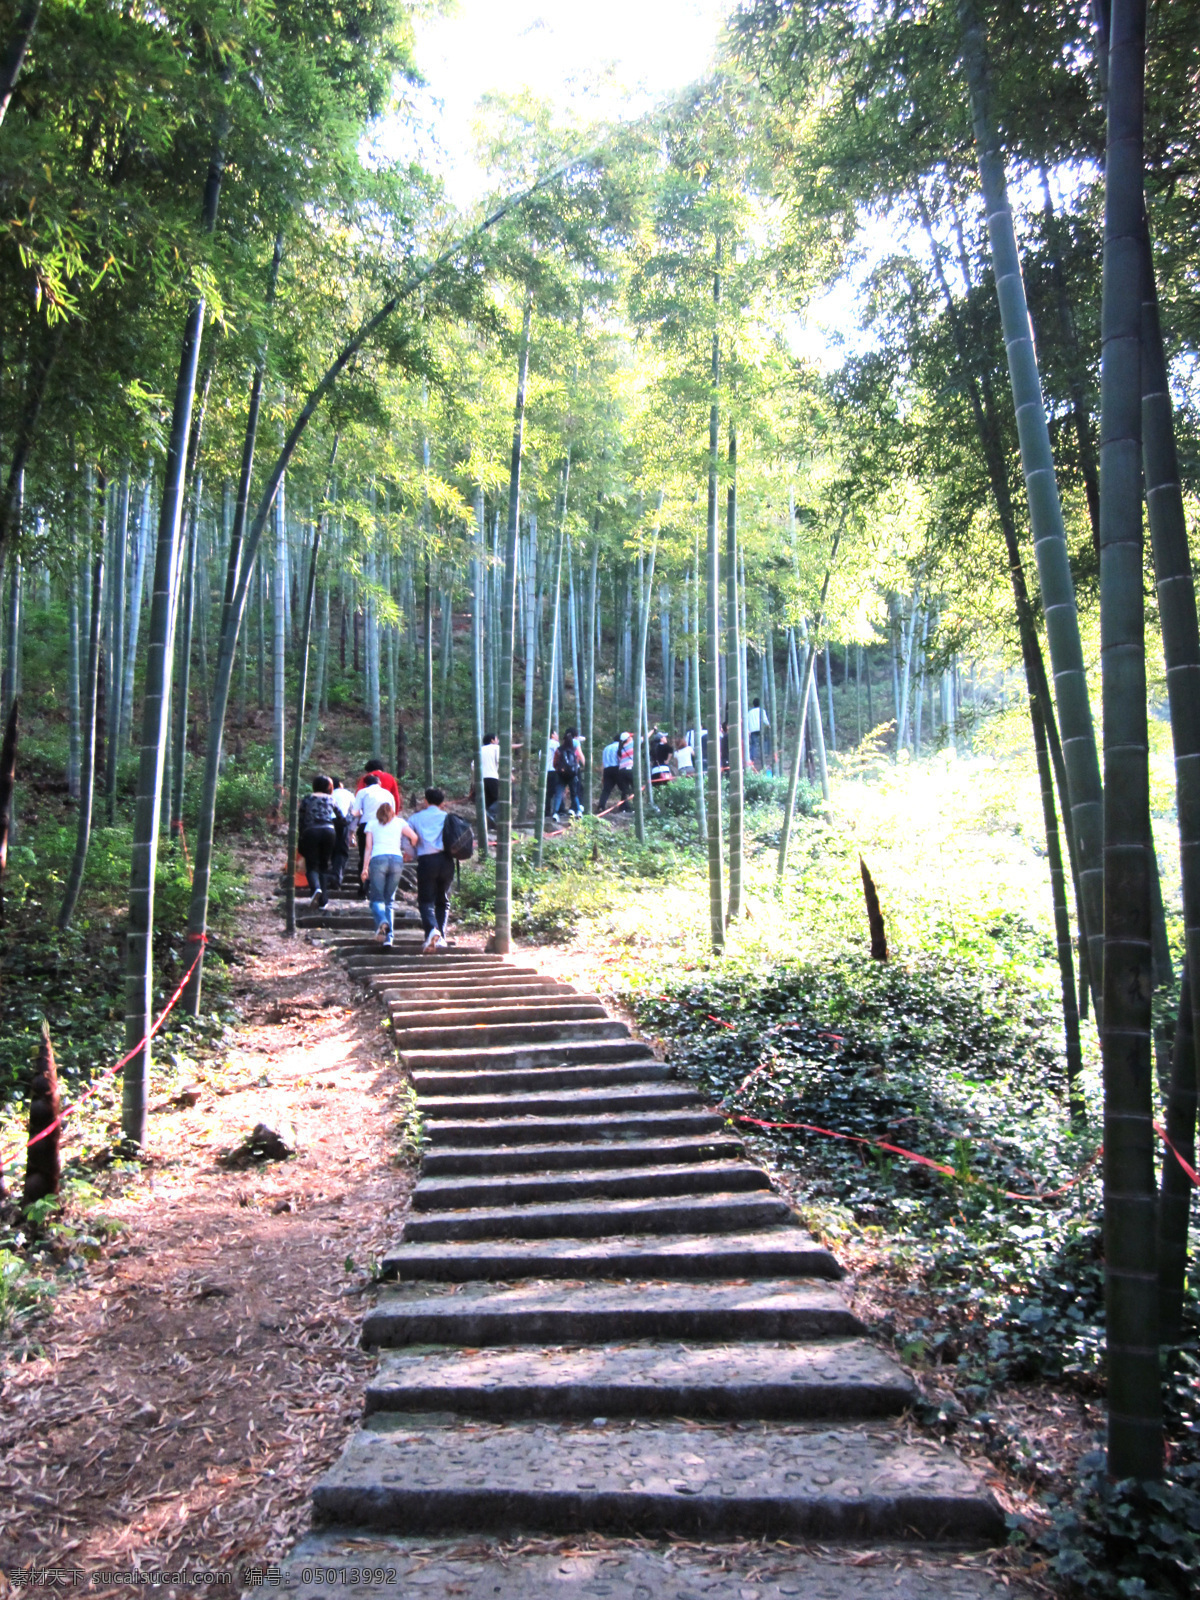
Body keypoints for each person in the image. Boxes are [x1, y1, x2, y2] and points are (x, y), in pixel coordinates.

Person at [361, 800, 417, 947]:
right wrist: (409, 853)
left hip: (378, 859)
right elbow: (414, 837)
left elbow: (368, 848)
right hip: (397, 860)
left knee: (376, 900)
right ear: (393, 812)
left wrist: (364, 868)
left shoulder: (372, 824)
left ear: (378, 813)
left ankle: (381, 921)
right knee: (389, 901)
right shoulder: (400, 822)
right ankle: (388, 938)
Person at [408, 787, 454, 953]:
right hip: (447, 860)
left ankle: (432, 931)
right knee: (442, 900)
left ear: (425, 800)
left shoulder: (415, 818)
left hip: (427, 860)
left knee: (426, 900)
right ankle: (440, 936)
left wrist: (412, 855)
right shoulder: (448, 818)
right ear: (443, 803)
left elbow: (408, 839)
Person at [298, 776, 338, 905]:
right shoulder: (331, 799)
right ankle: (323, 901)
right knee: (324, 865)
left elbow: (301, 819)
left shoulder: (307, 799)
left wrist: (301, 836)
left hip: (311, 831)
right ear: (328, 787)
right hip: (329, 831)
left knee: (311, 865)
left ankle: (316, 888)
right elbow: (340, 817)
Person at [353, 770, 392, 890]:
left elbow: (355, 812)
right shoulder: (387, 794)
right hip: (383, 825)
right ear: (379, 782)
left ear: (365, 784)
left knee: (364, 855)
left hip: (366, 825)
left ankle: (363, 886)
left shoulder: (362, 792)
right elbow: (392, 813)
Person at [329, 775, 355, 887]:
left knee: (330, 851)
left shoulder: (326, 794)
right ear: (340, 784)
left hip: (327, 823)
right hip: (341, 823)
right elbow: (355, 810)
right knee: (341, 851)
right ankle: (336, 876)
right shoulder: (347, 793)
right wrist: (352, 832)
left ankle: (325, 879)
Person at [553, 726, 585, 817]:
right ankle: (577, 810)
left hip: (561, 774)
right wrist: (585, 765)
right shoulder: (574, 746)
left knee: (559, 793)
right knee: (575, 792)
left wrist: (559, 769)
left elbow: (555, 762)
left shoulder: (559, 748)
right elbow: (579, 756)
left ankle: (555, 813)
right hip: (573, 772)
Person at [476, 733, 500, 825]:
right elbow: (500, 761)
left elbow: (473, 765)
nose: (498, 740)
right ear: (492, 740)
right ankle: (489, 813)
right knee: (501, 798)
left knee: (488, 801)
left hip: (480, 779)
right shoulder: (496, 748)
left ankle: (489, 825)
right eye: (496, 738)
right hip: (492, 777)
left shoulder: (480, 750)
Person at [598, 733, 621, 811]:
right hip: (617, 768)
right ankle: (624, 807)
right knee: (624, 789)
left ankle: (601, 806)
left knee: (606, 789)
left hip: (607, 769)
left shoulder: (606, 748)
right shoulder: (620, 747)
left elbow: (603, 762)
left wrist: (602, 774)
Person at [747, 698, 769, 769]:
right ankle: (764, 754)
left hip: (752, 730)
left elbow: (747, 722)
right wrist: (768, 725)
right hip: (760, 729)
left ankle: (753, 757)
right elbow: (765, 720)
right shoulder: (762, 711)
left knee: (754, 744)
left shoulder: (749, 712)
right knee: (764, 741)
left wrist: (748, 730)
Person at [615, 730, 635, 811]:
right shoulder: (632, 744)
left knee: (625, 790)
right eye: (630, 736)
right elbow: (644, 738)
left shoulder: (620, 748)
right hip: (629, 769)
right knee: (635, 788)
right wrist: (653, 730)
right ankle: (634, 807)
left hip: (621, 771)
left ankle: (623, 808)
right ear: (628, 738)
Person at [544, 730, 560, 817]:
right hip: (553, 770)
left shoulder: (544, 744)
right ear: (552, 735)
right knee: (557, 791)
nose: (557, 735)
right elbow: (559, 755)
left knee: (548, 793)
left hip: (545, 770)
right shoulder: (554, 743)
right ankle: (557, 810)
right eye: (556, 733)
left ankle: (547, 811)